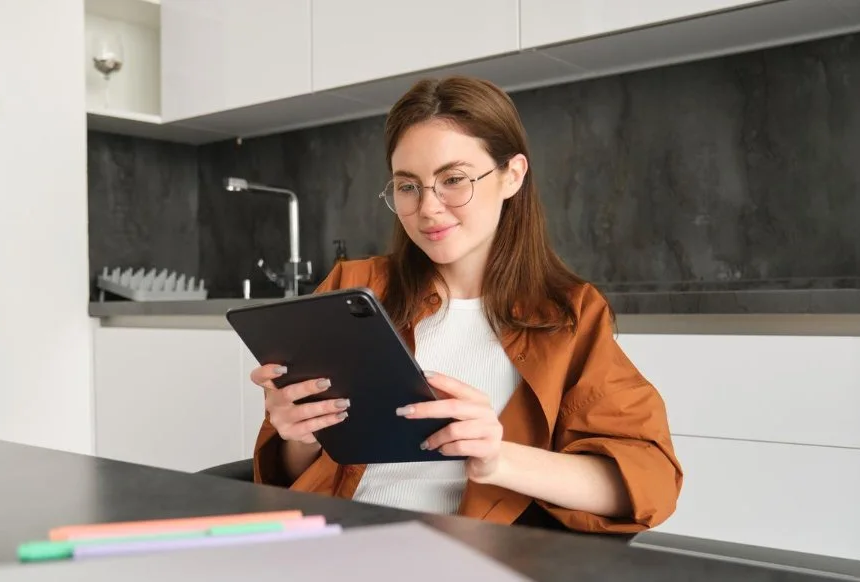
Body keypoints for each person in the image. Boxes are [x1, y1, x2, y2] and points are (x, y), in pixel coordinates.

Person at [247, 75, 683, 534]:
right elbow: (290, 476)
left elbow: (647, 480)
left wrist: (497, 458)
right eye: (408, 186)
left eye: (453, 179)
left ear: (512, 175)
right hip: (332, 544)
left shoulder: (569, 315)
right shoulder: (354, 286)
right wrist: (298, 436)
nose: (429, 209)